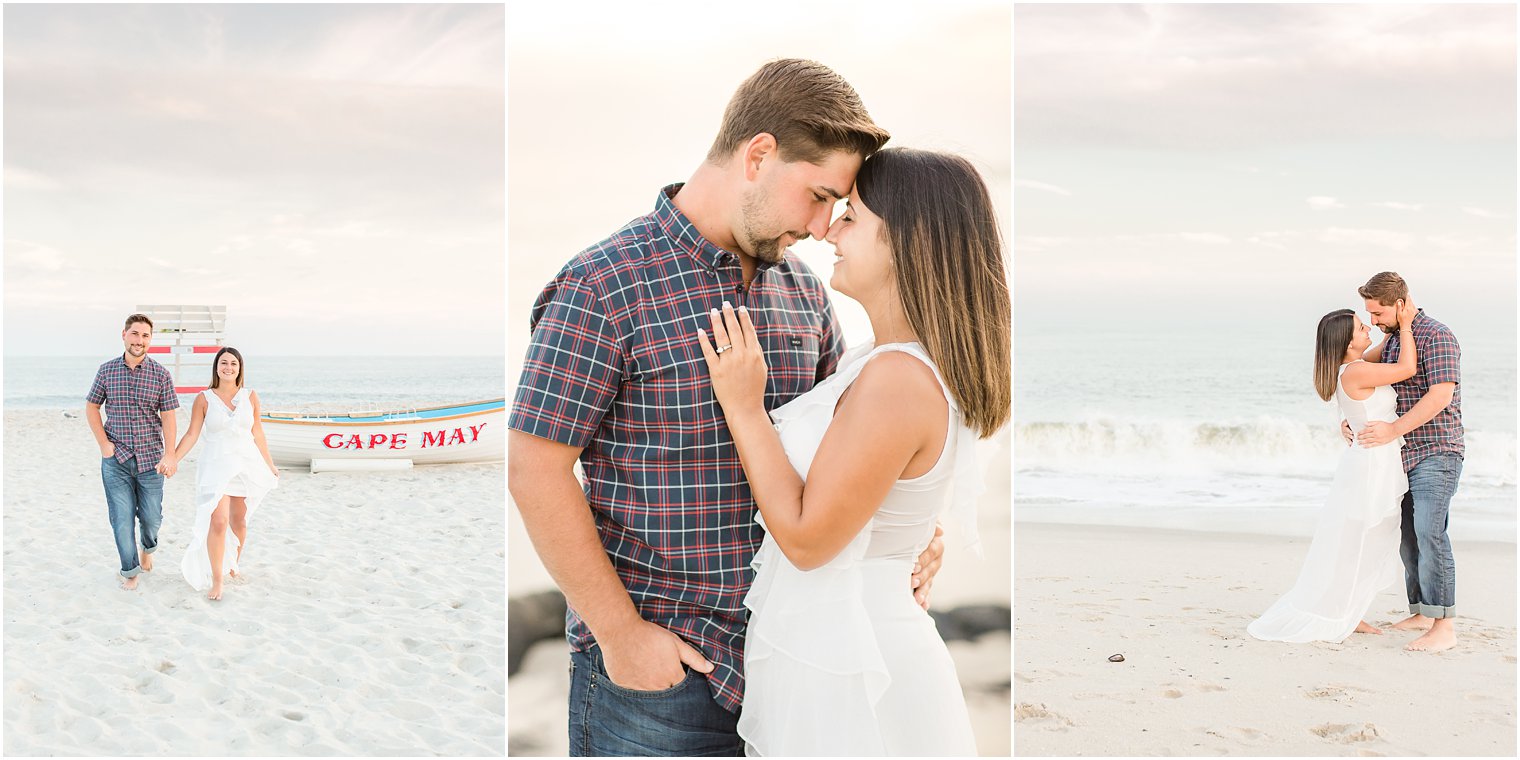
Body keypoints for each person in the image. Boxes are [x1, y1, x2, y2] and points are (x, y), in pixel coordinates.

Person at [508, 59, 947, 757]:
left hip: (792, 673)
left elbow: (849, 450)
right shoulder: (603, 286)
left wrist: (910, 533)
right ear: (760, 155)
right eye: (817, 196)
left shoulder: (804, 294)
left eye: (839, 208)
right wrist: (622, 639)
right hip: (662, 683)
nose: (821, 225)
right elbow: (534, 469)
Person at [698, 147, 1009, 755]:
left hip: (863, 659)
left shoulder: (897, 378)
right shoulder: (873, 359)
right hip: (842, 643)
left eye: (852, 217)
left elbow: (810, 541)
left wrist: (743, 407)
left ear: (907, 242)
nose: (828, 231)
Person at [1248, 300, 1416, 643]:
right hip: (1371, 467)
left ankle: (1349, 611)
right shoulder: (1355, 371)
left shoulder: (1353, 366)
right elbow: (1408, 367)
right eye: (1360, 327)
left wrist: (1397, 324)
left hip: (1371, 461)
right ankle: (1344, 614)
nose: (1368, 327)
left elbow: (1381, 356)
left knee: (1363, 543)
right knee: (1362, 543)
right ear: (1347, 342)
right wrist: (1409, 324)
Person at [1351, 272, 1464, 652]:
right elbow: (1354, 376)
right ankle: (1421, 611)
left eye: (1378, 312)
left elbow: (1440, 397)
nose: (1373, 321)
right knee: (1410, 537)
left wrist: (1392, 429)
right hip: (1401, 455)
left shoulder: (1437, 335)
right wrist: (1348, 418)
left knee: (1431, 533)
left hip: (1437, 450)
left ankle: (1444, 628)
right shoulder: (1396, 338)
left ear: (1400, 304)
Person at [167, 347, 279, 600]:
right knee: (218, 521)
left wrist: (269, 464)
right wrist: (173, 457)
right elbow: (193, 433)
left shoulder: (250, 396)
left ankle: (232, 566)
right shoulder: (204, 398)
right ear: (216, 367)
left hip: (245, 464)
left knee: (239, 521)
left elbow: (257, 433)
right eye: (223, 363)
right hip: (216, 466)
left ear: (240, 369)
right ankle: (217, 580)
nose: (228, 367)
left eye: (233, 364)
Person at [86, 313, 180, 590]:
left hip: (152, 460)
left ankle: (147, 550)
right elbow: (92, 407)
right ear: (124, 335)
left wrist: (170, 454)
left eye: (145, 335)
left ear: (150, 340)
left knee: (152, 519)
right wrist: (104, 444)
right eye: (135, 334)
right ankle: (130, 570)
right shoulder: (106, 371)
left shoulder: (161, 374)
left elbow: (169, 417)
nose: (140, 340)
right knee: (121, 518)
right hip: (116, 460)